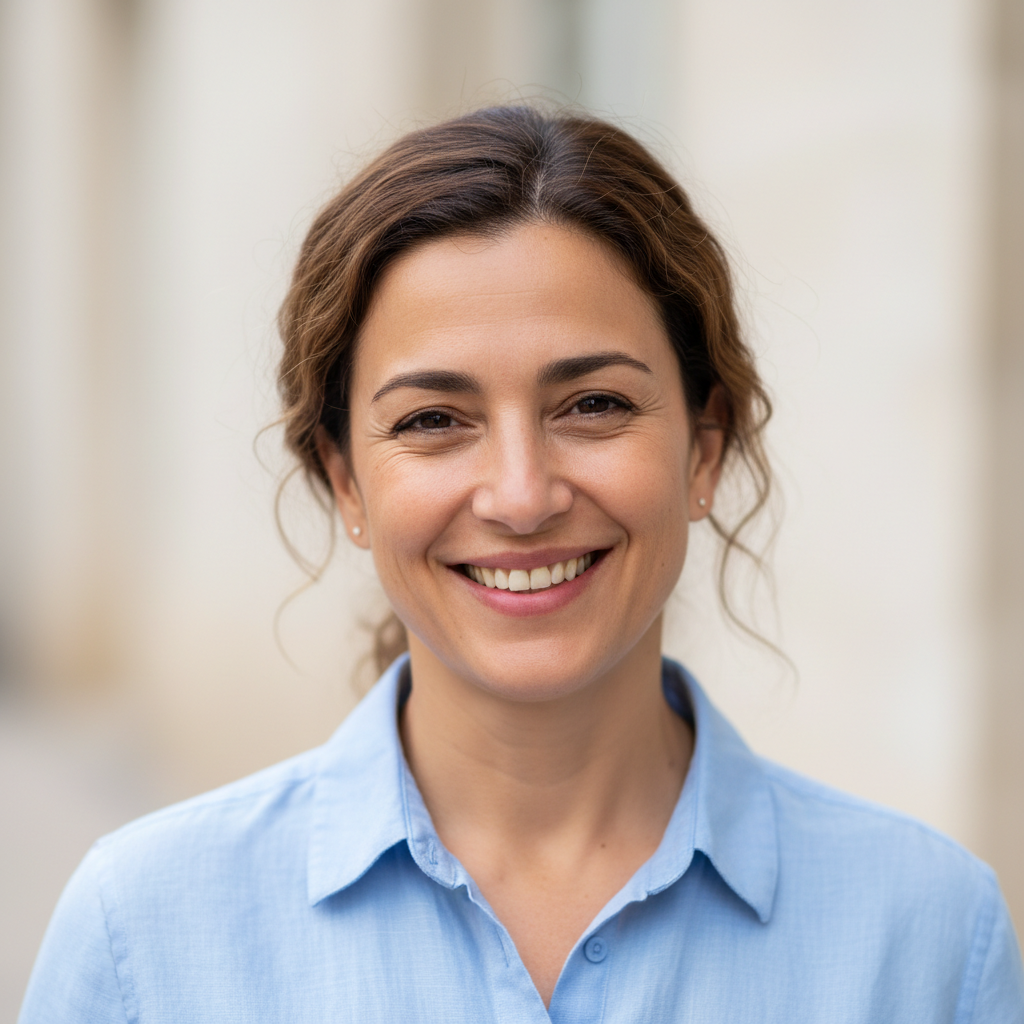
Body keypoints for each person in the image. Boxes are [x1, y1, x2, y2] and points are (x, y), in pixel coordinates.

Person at [19, 106, 1024, 1022]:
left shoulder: (927, 935)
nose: (520, 493)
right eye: (433, 421)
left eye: (593, 405)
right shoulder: (141, 935)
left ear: (704, 449)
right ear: (345, 483)